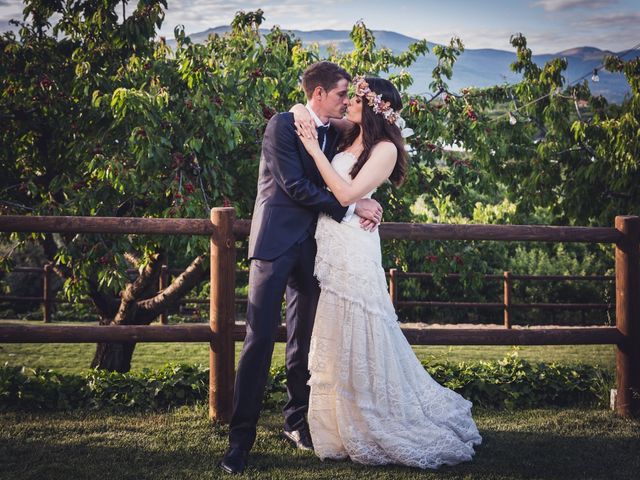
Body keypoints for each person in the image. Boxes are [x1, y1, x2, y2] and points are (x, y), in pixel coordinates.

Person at [291, 76, 482, 469]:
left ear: (376, 106)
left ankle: (374, 418)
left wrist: (313, 149)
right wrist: (299, 114)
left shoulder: (386, 149)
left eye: (356, 99)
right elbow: (305, 110)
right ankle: (335, 426)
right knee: (336, 330)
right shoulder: (349, 134)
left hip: (354, 248)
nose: (348, 103)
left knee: (361, 325)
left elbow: (345, 194)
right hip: (331, 243)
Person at [219, 62, 384, 475]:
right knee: (258, 341)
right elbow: (294, 186)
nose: (347, 101)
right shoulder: (282, 125)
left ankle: (296, 423)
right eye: (342, 94)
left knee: (303, 342)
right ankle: (240, 440)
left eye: (349, 96)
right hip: (274, 245)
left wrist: (363, 197)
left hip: (314, 249)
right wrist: (352, 208)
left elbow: (371, 137)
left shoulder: (337, 130)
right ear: (318, 94)